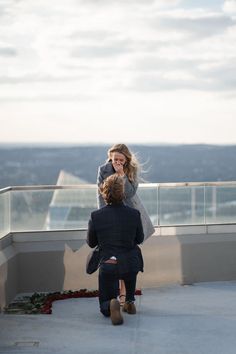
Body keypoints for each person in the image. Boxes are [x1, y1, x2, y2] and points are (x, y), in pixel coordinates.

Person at [97, 143, 155, 304]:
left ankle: (123, 295)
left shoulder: (131, 170)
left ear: (126, 159)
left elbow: (130, 193)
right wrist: (103, 217)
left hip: (129, 213)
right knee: (115, 253)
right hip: (110, 212)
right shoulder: (103, 170)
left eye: (120, 159)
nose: (117, 162)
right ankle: (116, 296)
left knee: (126, 252)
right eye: (114, 159)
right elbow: (100, 194)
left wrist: (121, 174)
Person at [87, 174, 144, 325]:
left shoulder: (96, 216)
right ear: (122, 193)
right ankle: (129, 301)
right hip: (131, 264)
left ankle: (110, 304)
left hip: (109, 264)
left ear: (104, 193)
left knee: (106, 300)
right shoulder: (134, 214)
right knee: (131, 260)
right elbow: (140, 239)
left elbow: (91, 243)